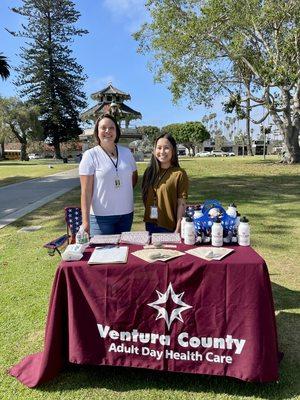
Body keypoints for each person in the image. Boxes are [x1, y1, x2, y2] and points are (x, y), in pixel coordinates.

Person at [79, 114, 138, 236]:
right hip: (101, 217)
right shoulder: (90, 155)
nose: (107, 131)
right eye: (103, 128)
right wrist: (85, 222)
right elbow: (86, 192)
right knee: (102, 254)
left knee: (124, 251)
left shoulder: (126, 153)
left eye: (111, 128)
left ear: (116, 131)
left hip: (126, 215)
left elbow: (133, 178)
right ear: (97, 131)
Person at [142, 133, 189, 234]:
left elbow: (182, 203)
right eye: (159, 148)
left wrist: (178, 227)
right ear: (154, 151)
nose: (162, 151)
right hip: (150, 223)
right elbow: (145, 196)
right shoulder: (149, 172)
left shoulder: (179, 174)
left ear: (173, 151)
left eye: (166, 148)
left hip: (168, 226)